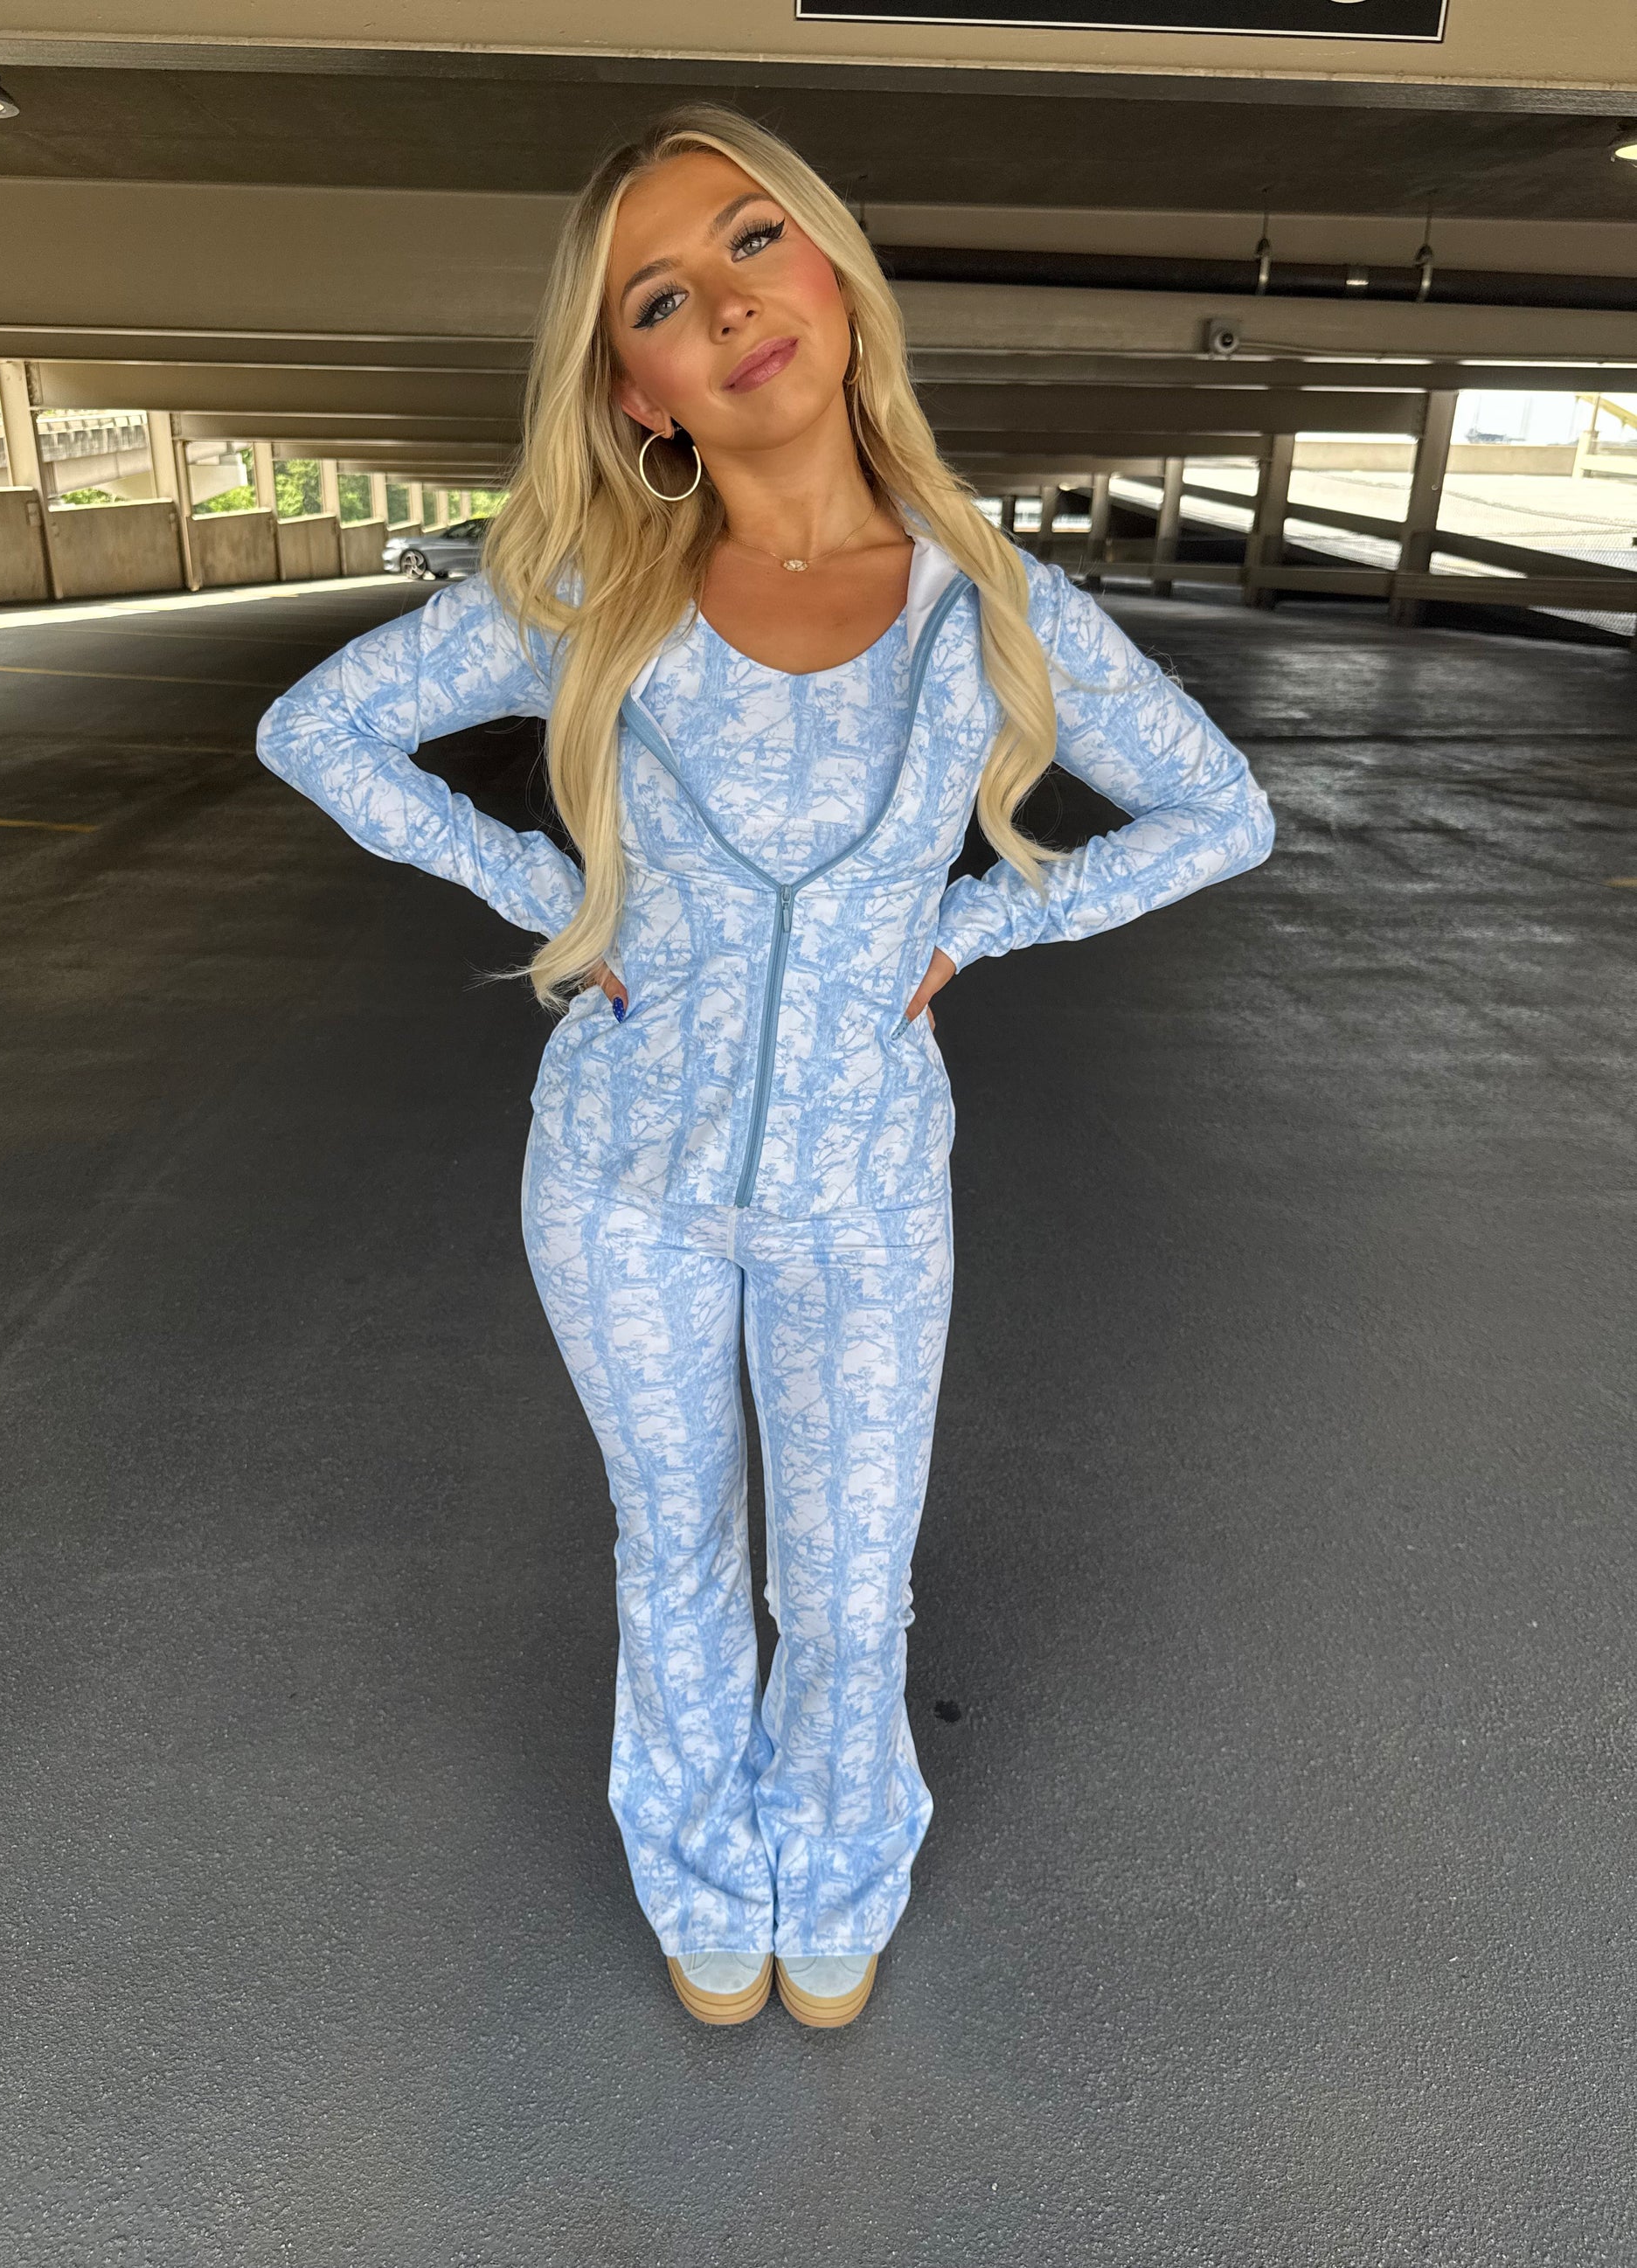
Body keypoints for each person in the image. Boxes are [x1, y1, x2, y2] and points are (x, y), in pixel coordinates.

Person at [255, 104, 1275, 2030]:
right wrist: (554, 895)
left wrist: (980, 925)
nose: (722, 305)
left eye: (750, 241)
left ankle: (840, 1861)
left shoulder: (988, 607)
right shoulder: (594, 597)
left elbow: (1220, 811)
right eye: (656, 299)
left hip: (863, 1192)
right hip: (616, 1182)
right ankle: (702, 1869)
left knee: (852, 1577)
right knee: (673, 1545)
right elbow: (316, 728)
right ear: (633, 392)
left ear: (832, 276)